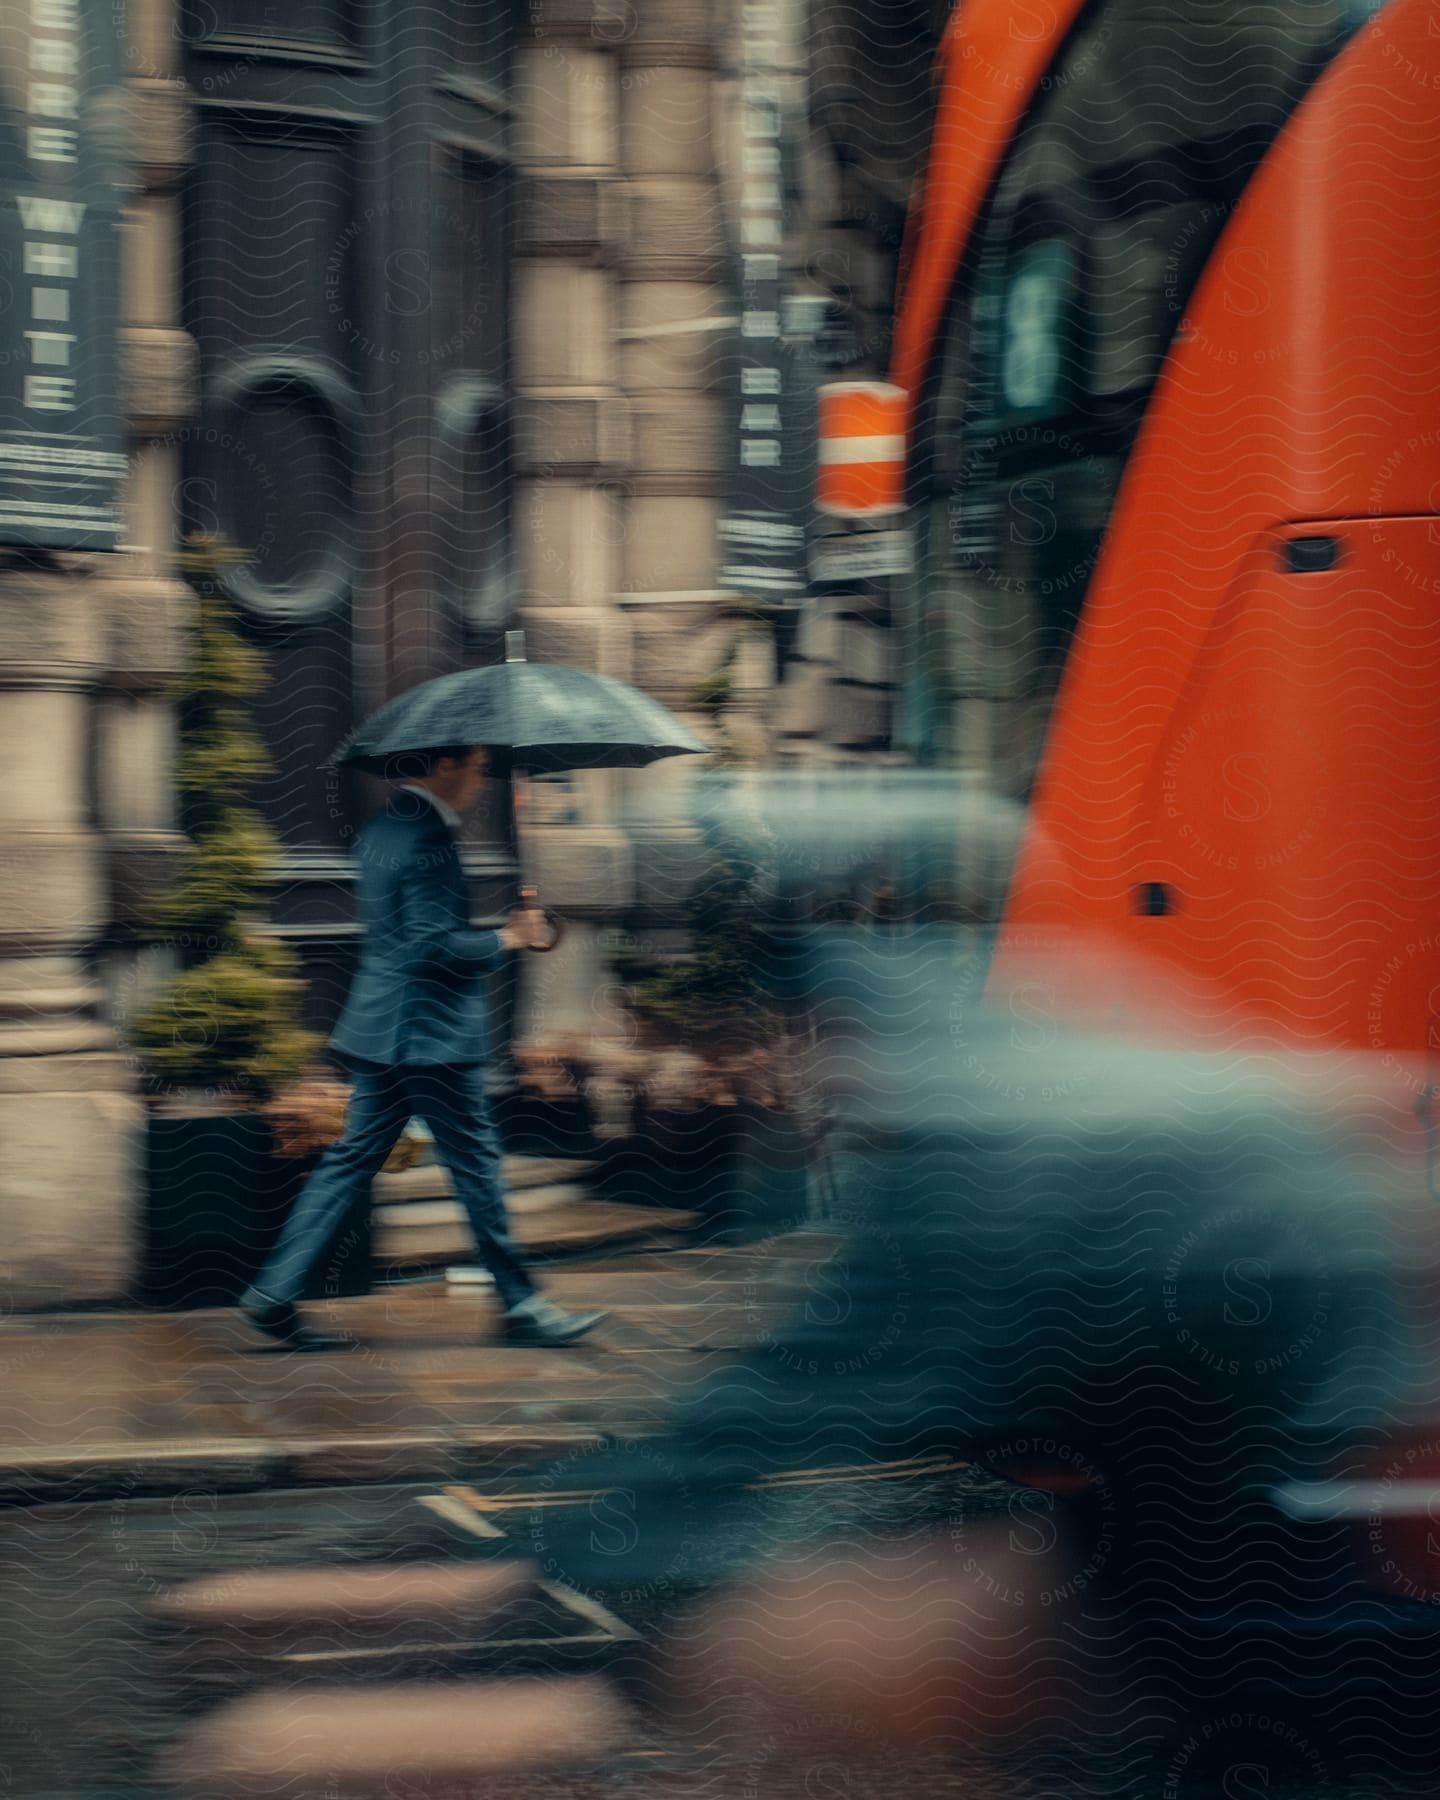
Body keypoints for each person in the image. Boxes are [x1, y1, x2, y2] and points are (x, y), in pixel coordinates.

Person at [240, 744, 605, 1352]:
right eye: (477, 766)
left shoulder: (386, 826)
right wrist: (509, 939)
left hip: (385, 1028)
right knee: (479, 1168)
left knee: (349, 1161)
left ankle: (272, 1296)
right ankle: (522, 1305)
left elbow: (403, 937)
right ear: (443, 766)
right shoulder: (429, 837)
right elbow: (433, 948)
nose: (483, 780)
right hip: (430, 1036)